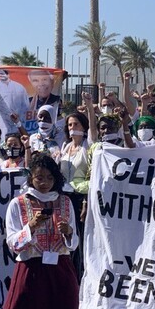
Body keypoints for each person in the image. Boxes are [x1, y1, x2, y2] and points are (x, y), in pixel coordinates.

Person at [0, 154, 92, 309]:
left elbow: (74, 243)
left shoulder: (65, 202)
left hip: (60, 269)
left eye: (49, 177)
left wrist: (68, 232)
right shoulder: (18, 204)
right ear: (31, 178)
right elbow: (13, 243)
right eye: (39, 177)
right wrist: (31, 227)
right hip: (32, 270)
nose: (44, 182)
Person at [58, 113, 91, 281]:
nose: (72, 128)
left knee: (79, 238)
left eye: (76, 124)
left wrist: (89, 108)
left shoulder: (87, 146)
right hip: (65, 198)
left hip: (81, 199)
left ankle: (80, 279)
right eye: (70, 125)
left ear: (84, 127)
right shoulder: (65, 146)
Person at [0, 68, 30, 137]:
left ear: (7, 74)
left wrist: (21, 120)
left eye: (2, 73)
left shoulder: (19, 87)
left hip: (18, 121)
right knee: (4, 141)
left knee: (19, 141)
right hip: (3, 122)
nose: (0, 75)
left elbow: (26, 105)